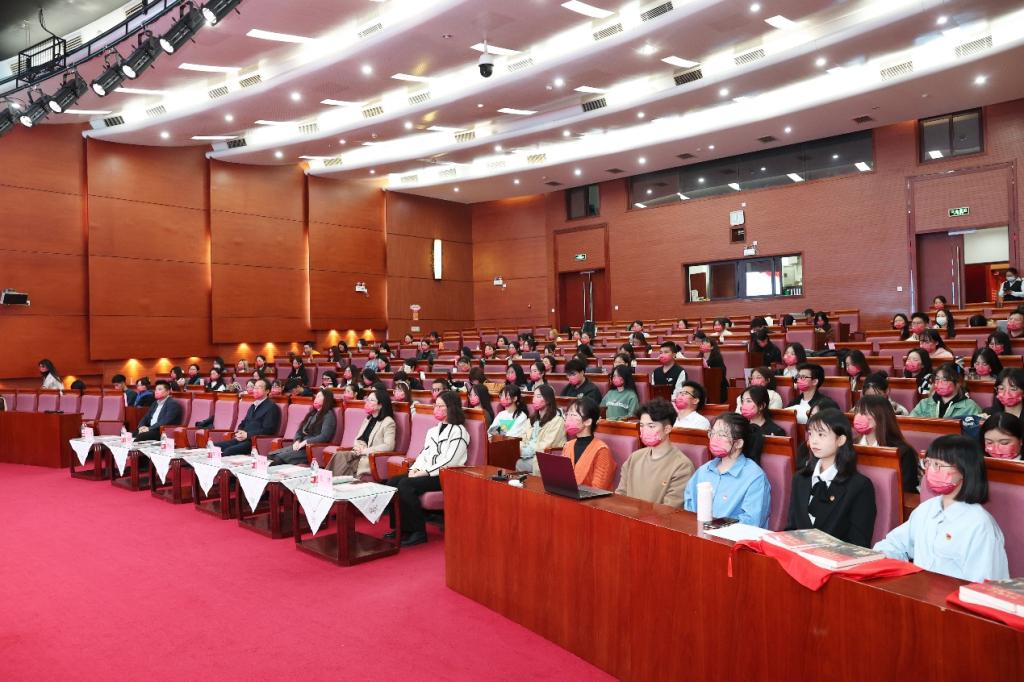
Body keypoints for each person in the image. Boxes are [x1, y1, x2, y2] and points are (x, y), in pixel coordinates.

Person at [874, 435, 1009, 582]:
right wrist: (877, 558)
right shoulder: (926, 509)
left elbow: (984, 585)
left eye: (938, 465)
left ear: (964, 470)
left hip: (956, 595)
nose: (930, 470)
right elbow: (894, 544)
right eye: (928, 463)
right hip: (919, 591)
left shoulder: (980, 525)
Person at [383, 391, 469, 546]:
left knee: (405, 485)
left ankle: (418, 532)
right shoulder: (433, 430)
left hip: (445, 475)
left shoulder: (459, 431)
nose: (436, 409)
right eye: (436, 405)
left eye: (441, 406)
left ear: (451, 408)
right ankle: (401, 528)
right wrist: (414, 470)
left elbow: (451, 460)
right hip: (427, 473)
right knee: (393, 482)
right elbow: (424, 454)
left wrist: (426, 472)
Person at [787, 409, 877, 547]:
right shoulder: (800, 479)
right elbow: (791, 528)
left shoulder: (859, 486)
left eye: (821, 434)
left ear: (840, 440)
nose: (813, 441)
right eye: (810, 434)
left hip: (836, 558)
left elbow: (858, 543)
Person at [683, 413, 771, 528]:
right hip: (698, 533)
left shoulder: (754, 477)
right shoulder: (704, 471)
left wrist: (712, 527)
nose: (714, 439)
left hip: (733, 538)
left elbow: (751, 522)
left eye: (722, 435)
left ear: (738, 443)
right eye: (713, 433)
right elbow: (689, 509)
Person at [616, 399, 694, 505]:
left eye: (651, 426)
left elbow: (670, 508)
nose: (644, 430)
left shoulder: (682, 466)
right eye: (642, 425)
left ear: (667, 429)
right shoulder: (634, 457)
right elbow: (620, 496)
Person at [853, 395, 919, 492]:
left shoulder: (903, 452)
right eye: (857, 412)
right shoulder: (851, 445)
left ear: (881, 416)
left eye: (865, 413)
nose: (859, 417)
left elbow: (907, 490)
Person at [325, 387, 395, 476]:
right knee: (339, 456)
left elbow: (389, 446)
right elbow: (359, 438)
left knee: (343, 465)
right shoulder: (368, 419)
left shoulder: (388, 422)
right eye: (367, 400)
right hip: (359, 454)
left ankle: (334, 481)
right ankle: (327, 480)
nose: (367, 402)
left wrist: (366, 450)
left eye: (372, 400)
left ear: (380, 405)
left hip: (371, 458)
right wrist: (358, 447)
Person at [558, 397, 616, 490]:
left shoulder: (601, 450)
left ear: (588, 421)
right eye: (567, 414)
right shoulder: (568, 446)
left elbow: (598, 489)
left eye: (573, 415)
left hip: (589, 498)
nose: (568, 418)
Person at [268, 389, 338, 466]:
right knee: (271, 456)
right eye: (316, 396)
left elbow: (324, 437)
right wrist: (297, 440)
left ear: (326, 399)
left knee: (278, 459)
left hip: (311, 449)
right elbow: (300, 431)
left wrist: (306, 442)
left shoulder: (328, 415)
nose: (316, 398)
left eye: (319, 396)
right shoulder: (312, 413)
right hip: (300, 446)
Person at [211, 378, 280, 455]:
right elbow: (244, 422)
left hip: (254, 441)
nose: (255, 390)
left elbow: (268, 430)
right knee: (214, 446)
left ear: (267, 391)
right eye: (255, 387)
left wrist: (247, 435)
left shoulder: (271, 407)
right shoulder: (253, 405)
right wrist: (240, 431)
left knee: (228, 451)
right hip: (242, 439)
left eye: (259, 387)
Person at [519, 385, 567, 473]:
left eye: (538, 396)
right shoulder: (531, 420)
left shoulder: (557, 421)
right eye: (534, 396)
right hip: (526, 453)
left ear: (548, 399)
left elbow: (546, 445)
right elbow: (523, 438)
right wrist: (520, 449)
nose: (534, 399)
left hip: (543, 457)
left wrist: (525, 451)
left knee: (516, 463)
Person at [910, 362, 980, 419]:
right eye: (937, 379)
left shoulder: (970, 407)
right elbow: (911, 425)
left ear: (958, 382)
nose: (939, 383)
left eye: (945, 379)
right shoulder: (924, 404)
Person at [738, 385, 785, 464]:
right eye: (743, 401)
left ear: (761, 406)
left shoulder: (776, 432)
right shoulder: (739, 427)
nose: (743, 405)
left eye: (748, 401)